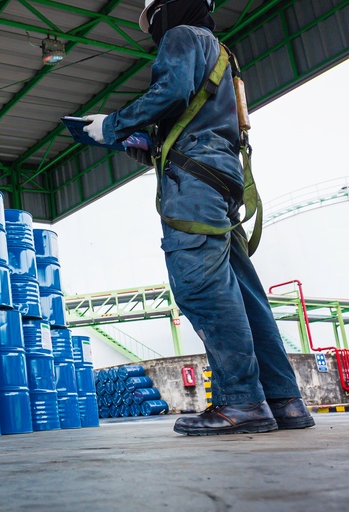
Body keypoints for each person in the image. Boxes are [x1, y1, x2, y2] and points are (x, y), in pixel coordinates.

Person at [82, 0, 313, 436]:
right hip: (220, 180)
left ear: (165, 11)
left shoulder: (180, 37)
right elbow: (188, 118)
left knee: (202, 287)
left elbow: (167, 93)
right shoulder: (220, 52)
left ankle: (240, 403)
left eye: (152, 20)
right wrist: (142, 144)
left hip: (196, 187)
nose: (153, 30)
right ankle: (285, 401)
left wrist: (110, 125)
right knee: (244, 294)